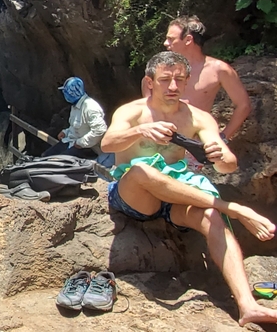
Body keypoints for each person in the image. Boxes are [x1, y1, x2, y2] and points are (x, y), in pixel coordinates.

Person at [101, 51, 277, 327]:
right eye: (165, 80)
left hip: (176, 196)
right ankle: (233, 208)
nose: (172, 86)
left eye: (179, 80)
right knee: (142, 170)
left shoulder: (198, 117)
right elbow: (107, 144)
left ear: (187, 82)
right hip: (137, 196)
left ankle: (247, 305)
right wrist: (140, 132)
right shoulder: (132, 111)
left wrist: (219, 154)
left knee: (212, 218)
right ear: (150, 82)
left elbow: (228, 166)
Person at [161, 16, 252, 166]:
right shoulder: (162, 69)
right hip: (161, 140)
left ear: (188, 40)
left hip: (193, 145)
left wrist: (222, 138)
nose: (166, 44)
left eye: (171, 39)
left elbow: (244, 105)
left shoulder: (218, 69)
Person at [42, 77, 107, 159]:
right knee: (46, 157)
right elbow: (76, 127)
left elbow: (100, 130)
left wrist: (81, 142)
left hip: (87, 148)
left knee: (56, 163)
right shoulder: (75, 106)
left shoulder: (90, 107)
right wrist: (66, 132)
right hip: (71, 141)